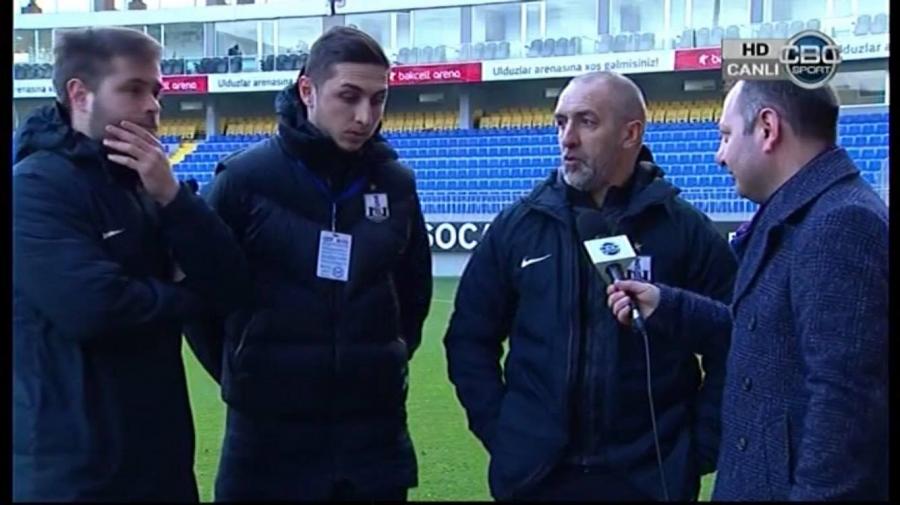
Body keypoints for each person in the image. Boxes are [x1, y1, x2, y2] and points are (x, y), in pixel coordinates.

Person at [444, 71, 738, 501]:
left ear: (630, 133)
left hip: (649, 479)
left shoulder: (686, 231)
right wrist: (507, 434)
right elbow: (469, 339)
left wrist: (696, 447)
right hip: (536, 478)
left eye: (586, 121)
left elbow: (737, 339)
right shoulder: (518, 226)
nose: (567, 139)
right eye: (561, 122)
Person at [608, 80, 888, 501]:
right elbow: (767, 338)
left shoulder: (840, 223)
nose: (719, 155)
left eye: (726, 135)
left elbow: (845, 405)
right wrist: (668, 306)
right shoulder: (798, 214)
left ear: (767, 129)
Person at [186, 26, 432, 501]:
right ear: (307, 90)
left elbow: (413, 292)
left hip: (373, 441)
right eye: (349, 96)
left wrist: (388, 357)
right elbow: (202, 297)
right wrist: (247, 370)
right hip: (266, 443)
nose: (365, 116)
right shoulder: (243, 179)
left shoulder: (397, 184)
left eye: (378, 99)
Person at [12, 27, 249, 501]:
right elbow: (94, 309)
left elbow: (232, 283)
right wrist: (189, 294)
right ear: (80, 94)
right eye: (134, 89)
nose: (153, 106)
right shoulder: (33, 188)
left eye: (155, 91)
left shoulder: (147, 185)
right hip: (71, 469)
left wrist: (173, 197)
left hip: (161, 460)